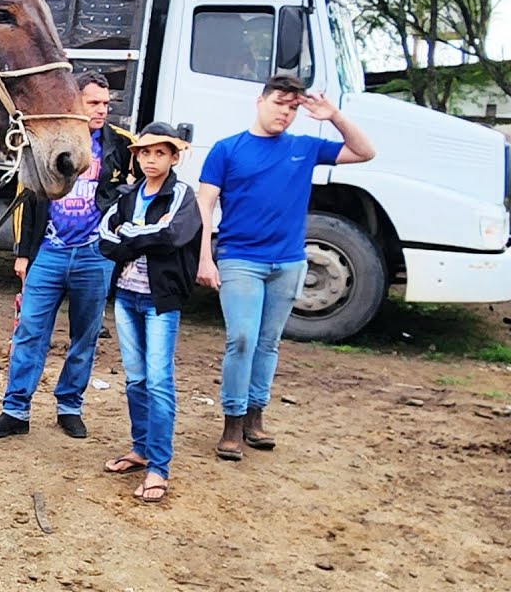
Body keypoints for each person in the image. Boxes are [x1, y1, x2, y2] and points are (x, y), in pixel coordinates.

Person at [196, 74, 375, 460]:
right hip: (240, 259)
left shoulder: (304, 147)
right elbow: (205, 205)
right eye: (280, 103)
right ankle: (232, 421)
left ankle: (254, 418)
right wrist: (204, 256)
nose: (286, 113)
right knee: (241, 338)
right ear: (259, 101)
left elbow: (364, 152)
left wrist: (334, 115)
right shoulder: (227, 150)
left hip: (289, 261)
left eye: (293, 108)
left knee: (268, 343)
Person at [0, 71, 139, 439]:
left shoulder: (121, 145)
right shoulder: (50, 140)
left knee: (84, 335)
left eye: (105, 103)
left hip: (94, 255)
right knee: (30, 332)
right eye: (93, 103)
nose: (101, 110)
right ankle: (15, 410)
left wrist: (120, 241)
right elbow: (28, 196)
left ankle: (69, 406)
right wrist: (23, 253)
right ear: (76, 103)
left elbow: (140, 191)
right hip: (49, 252)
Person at [98, 122, 201, 504]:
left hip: (160, 300)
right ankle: (141, 449)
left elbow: (174, 234)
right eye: (144, 152)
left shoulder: (182, 195)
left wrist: (131, 234)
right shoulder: (127, 196)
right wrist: (144, 234)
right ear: (136, 156)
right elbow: (104, 239)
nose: (151, 159)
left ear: (174, 157)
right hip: (127, 297)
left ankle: (159, 466)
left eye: (160, 152)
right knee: (136, 379)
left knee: (159, 381)